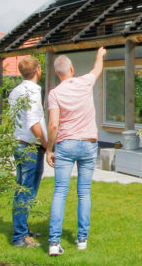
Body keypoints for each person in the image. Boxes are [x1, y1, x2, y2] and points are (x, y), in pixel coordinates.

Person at [45, 47, 106, 256]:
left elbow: (53, 124)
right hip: (88, 144)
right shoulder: (85, 82)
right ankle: (82, 240)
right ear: (72, 69)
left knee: (60, 192)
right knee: (84, 192)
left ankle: (54, 242)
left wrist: (49, 149)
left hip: (66, 145)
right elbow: (97, 69)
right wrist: (100, 54)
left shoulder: (54, 94)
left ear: (57, 73)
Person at [9, 56, 49, 248]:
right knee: (26, 190)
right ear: (38, 70)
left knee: (23, 188)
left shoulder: (16, 91)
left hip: (20, 143)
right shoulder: (32, 92)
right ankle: (20, 236)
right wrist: (47, 144)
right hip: (30, 146)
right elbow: (34, 123)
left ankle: (23, 228)